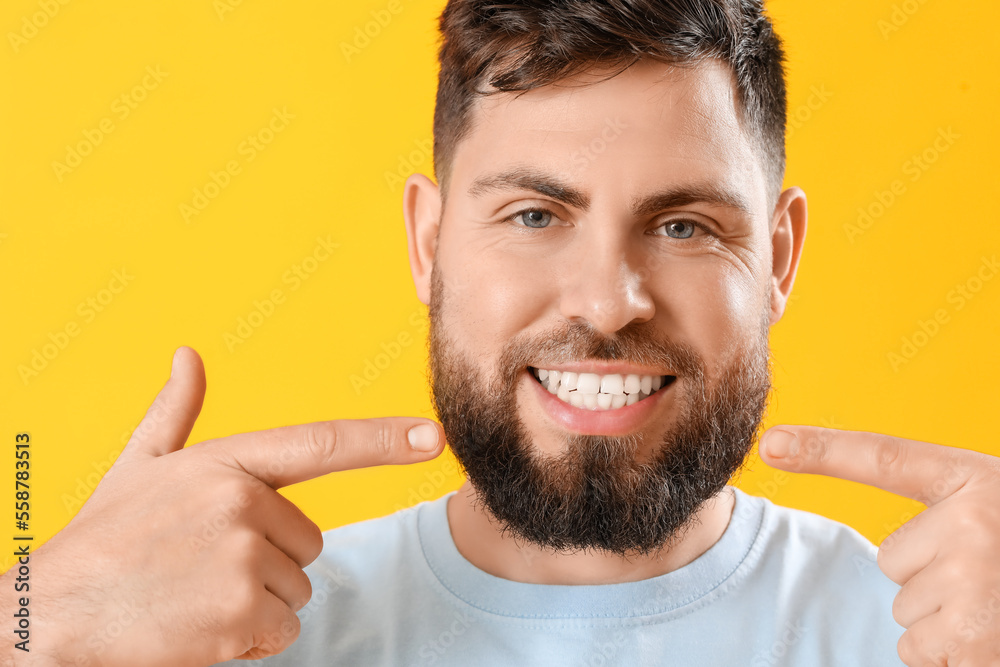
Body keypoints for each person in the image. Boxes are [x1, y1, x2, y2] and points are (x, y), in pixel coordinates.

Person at [4, 1, 999, 666]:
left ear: (777, 259)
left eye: (684, 225)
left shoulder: (937, 634)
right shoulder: (218, 636)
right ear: (428, 241)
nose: (607, 303)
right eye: (534, 215)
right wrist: (30, 623)